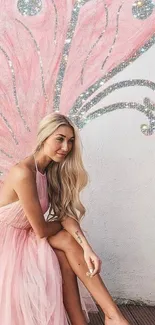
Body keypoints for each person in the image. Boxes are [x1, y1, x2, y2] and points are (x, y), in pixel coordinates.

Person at [0, 112, 130, 325]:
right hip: (8, 244)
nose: (66, 147)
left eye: (70, 141)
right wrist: (62, 222)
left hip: (26, 235)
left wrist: (88, 249)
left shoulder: (48, 169)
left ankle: (109, 316)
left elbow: (64, 213)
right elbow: (42, 230)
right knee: (65, 240)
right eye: (59, 139)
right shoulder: (24, 172)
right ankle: (113, 316)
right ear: (44, 138)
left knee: (65, 252)